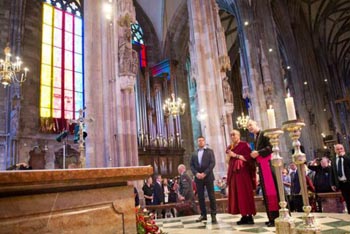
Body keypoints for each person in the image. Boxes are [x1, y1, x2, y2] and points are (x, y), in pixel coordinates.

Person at [247, 120, 279, 227]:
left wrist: (258, 153)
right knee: (266, 193)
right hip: (262, 166)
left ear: (256, 124)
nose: (249, 127)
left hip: (268, 166)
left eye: (250, 125)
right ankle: (271, 217)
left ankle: (276, 218)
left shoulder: (264, 133)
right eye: (247, 127)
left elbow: (271, 148)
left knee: (272, 192)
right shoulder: (256, 137)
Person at [226, 129, 256, 225]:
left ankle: (250, 216)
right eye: (231, 135)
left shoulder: (244, 145)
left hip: (243, 173)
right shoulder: (230, 147)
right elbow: (227, 161)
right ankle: (243, 216)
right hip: (234, 173)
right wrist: (229, 155)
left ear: (238, 135)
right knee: (238, 195)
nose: (232, 137)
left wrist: (235, 155)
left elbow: (249, 158)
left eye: (234, 134)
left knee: (245, 193)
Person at [190, 136, 217, 223]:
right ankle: (203, 214)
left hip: (208, 176)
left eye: (202, 140)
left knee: (211, 196)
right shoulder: (194, 153)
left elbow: (212, 163)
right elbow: (191, 165)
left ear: (204, 141)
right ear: (197, 142)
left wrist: (205, 173)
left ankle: (213, 215)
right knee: (200, 197)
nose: (200, 142)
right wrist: (196, 174)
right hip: (198, 178)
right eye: (199, 141)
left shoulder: (210, 151)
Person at [331, 144, 350, 214]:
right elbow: (332, 172)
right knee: (347, 200)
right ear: (335, 150)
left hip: (349, 182)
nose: (339, 150)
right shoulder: (333, 159)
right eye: (338, 149)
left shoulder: (347, 156)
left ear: (344, 149)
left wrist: (344, 156)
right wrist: (332, 184)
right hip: (341, 183)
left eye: (341, 148)